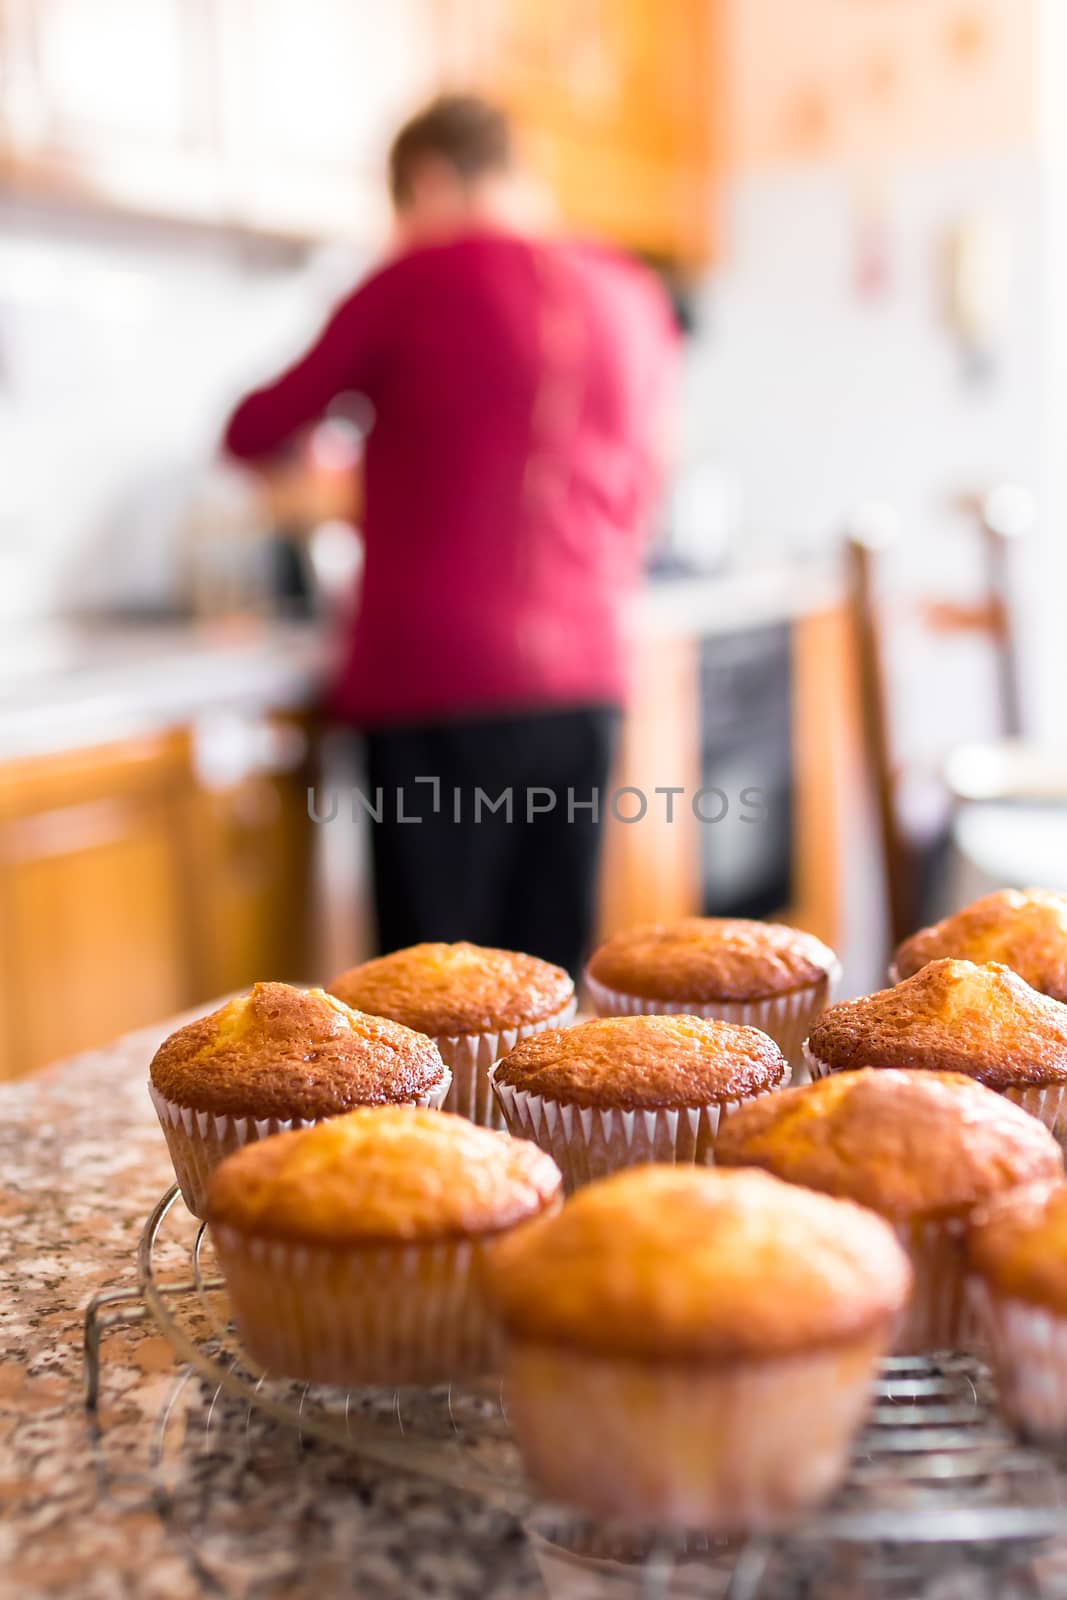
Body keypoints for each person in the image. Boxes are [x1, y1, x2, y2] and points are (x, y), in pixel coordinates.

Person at [223, 94, 678, 975]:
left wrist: (343, 483)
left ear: (426, 182)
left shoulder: (415, 280)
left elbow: (254, 430)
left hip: (439, 683)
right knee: (543, 993)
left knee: (429, 996)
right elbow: (646, 475)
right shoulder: (631, 292)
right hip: (586, 676)